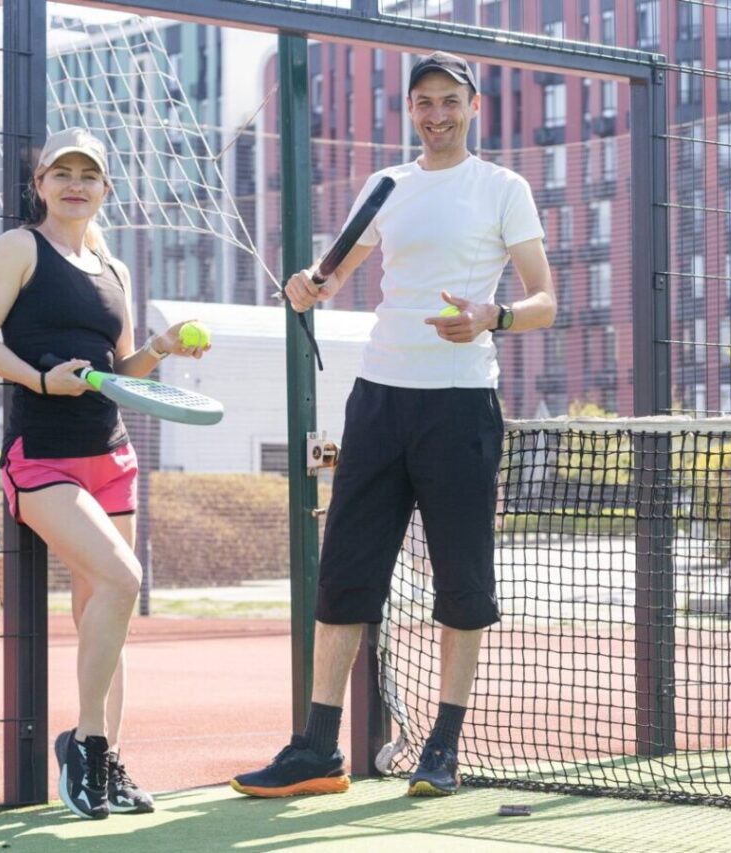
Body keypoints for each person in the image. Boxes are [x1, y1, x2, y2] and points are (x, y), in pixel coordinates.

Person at [231, 51, 556, 799]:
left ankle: (441, 748)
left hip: (460, 405)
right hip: (378, 401)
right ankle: (315, 749)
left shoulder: (503, 188)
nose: (436, 114)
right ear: (409, 110)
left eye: (449, 100)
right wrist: (307, 286)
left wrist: (492, 316)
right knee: (344, 575)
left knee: (463, 582)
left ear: (474, 106)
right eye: (423, 102)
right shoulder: (386, 187)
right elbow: (328, 274)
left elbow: (544, 299)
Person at [0, 127, 209, 820]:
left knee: (108, 612)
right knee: (124, 577)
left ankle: (107, 754)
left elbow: (120, 374)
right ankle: (85, 745)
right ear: (39, 183)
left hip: (112, 455)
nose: (75, 183)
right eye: (61, 172)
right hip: (41, 458)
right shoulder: (18, 248)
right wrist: (43, 379)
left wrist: (160, 347)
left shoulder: (114, 266)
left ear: (106, 188)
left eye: (89, 174)